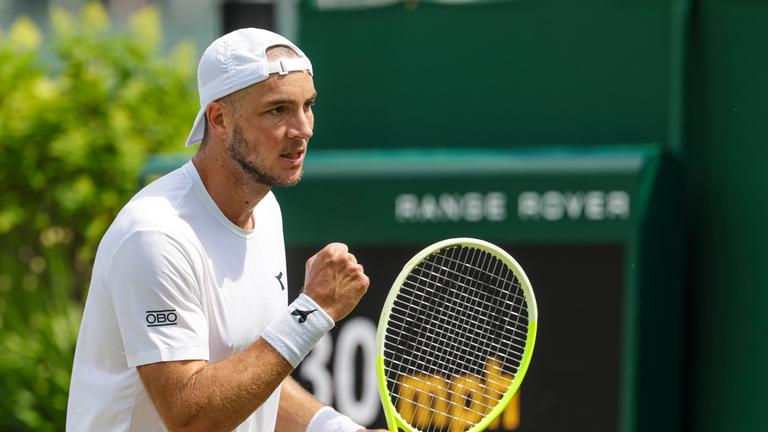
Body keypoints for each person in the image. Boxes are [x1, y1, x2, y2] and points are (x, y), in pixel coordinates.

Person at [66, 28, 372, 432]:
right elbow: (191, 417)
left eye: (307, 105)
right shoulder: (155, 236)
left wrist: (337, 428)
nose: (303, 129)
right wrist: (311, 312)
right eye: (278, 110)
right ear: (220, 119)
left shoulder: (267, 211)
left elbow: (251, 377)